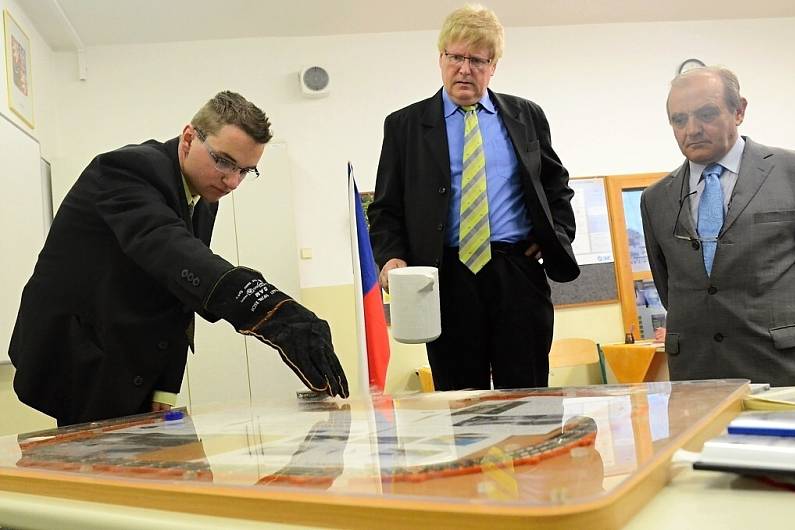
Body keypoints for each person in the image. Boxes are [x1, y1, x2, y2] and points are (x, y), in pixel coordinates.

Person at [9, 91, 348, 426]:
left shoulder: (204, 195)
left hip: (138, 360)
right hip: (81, 358)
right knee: (103, 476)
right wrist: (272, 310)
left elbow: (180, 292)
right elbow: (170, 251)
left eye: (245, 170)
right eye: (224, 161)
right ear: (188, 138)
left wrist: (166, 388)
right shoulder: (125, 170)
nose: (232, 181)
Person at [368, 5, 579, 391]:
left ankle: (535, 451)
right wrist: (390, 256)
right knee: (461, 400)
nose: (465, 69)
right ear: (441, 58)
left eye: (477, 60)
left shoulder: (526, 115)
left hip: (516, 272)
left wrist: (554, 236)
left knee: (529, 394)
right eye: (456, 57)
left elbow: (556, 184)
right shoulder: (404, 125)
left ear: (493, 65)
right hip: (445, 277)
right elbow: (385, 207)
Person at [641, 66, 795, 385]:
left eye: (707, 114)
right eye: (679, 120)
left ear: (739, 110)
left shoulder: (793, 173)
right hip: (696, 374)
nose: (693, 129)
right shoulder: (656, 199)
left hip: (782, 368)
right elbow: (668, 284)